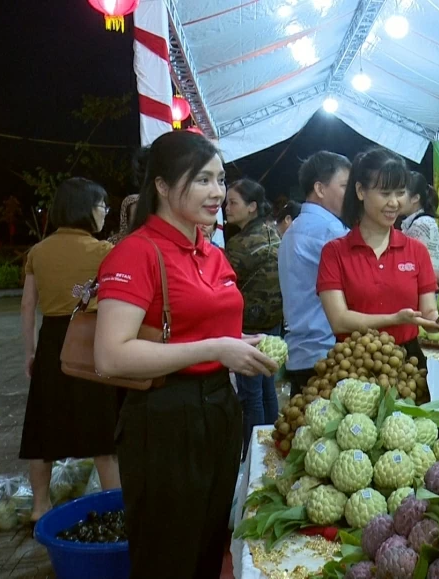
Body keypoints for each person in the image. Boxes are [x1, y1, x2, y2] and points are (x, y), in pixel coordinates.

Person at [93, 131, 278, 578]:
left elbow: (208, 324)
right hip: (164, 420)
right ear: (161, 185)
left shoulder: (210, 253)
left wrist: (238, 345)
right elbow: (110, 357)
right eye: (202, 180)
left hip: (218, 409)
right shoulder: (137, 252)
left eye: (220, 180)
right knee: (167, 557)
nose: (217, 192)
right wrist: (215, 347)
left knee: (207, 548)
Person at [20, 177, 121, 522]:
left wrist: (30, 353)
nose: (105, 212)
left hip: (51, 342)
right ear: (84, 209)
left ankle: (39, 506)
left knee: (42, 428)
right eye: (101, 206)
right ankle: (115, 507)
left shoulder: (38, 251)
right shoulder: (104, 251)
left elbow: (27, 307)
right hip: (92, 341)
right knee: (103, 435)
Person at [317, 148, 439, 366]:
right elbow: (339, 320)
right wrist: (393, 320)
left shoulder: (416, 251)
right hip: (355, 362)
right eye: (385, 193)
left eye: (400, 193)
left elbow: (427, 313)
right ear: (360, 191)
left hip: (408, 363)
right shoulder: (334, 253)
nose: (394, 203)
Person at [279, 151, 353, 392]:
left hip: (300, 351)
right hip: (325, 355)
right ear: (320, 189)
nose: (352, 195)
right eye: (345, 186)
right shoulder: (329, 230)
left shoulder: (295, 229)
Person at [224, 178, 283, 456]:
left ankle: (254, 453)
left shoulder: (240, 244)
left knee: (251, 395)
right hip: (273, 322)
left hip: (249, 326)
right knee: (267, 385)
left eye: (233, 202)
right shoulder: (275, 233)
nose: (226, 207)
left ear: (252, 207)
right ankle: (274, 442)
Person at [399, 171, 439, 270]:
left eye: (400, 193)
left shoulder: (421, 224)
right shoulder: (419, 222)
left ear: (415, 198)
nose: (394, 199)